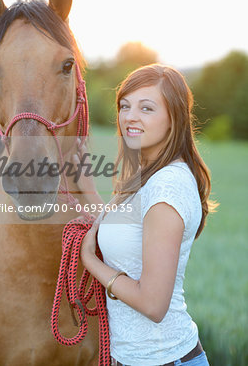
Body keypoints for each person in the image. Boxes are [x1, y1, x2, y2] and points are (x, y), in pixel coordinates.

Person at [73, 64, 216, 366]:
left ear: (173, 119)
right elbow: (127, 233)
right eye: (125, 106)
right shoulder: (147, 178)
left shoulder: (167, 185)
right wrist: (86, 189)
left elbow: (153, 304)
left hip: (164, 359)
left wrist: (90, 261)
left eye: (146, 108)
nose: (130, 116)